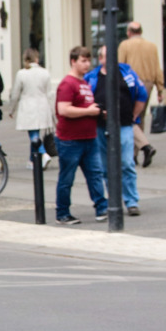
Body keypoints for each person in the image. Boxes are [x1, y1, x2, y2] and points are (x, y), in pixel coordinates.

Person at [86, 45, 145, 216]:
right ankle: (113, 199)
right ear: (101, 59)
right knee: (105, 166)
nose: (109, 60)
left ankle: (131, 201)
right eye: (105, 56)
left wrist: (134, 116)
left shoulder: (127, 74)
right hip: (101, 126)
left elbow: (141, 94)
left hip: (124, 124)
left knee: (127, 163)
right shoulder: (93, 77)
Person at [53, 46, 107, 225]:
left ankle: (102, 207)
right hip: (70, 139)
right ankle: (62, 212)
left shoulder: (84, 83)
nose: (87, 64)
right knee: (67, 177)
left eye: (88, 60)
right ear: (73, 61)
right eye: (83, 61)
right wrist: (89, 112)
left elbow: (84, 107)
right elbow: (64, 109)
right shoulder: (68, 84)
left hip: (89, 137)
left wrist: (97, 112)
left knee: (95, 174)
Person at [117, 22, 165, 167]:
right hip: (148, 83)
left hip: (130, 84)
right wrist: (160, 89)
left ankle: (139, 150)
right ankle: (136, 152)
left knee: (128, 117)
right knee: (139, 117)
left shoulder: (124, 45)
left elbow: (120, 65)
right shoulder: (152, 46)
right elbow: (157, 68)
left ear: (129, 32)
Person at [5, 48, 55, 168]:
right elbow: (50, 94)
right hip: (43, 106)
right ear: (36, 58)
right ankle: (32, 160)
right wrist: (53, 112)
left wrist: (11, 109)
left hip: (28, 107)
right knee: (35, 133)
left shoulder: (21, 74)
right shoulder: (45, 72)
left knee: (33, 134)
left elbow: (15, 94)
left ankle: (43, 153)